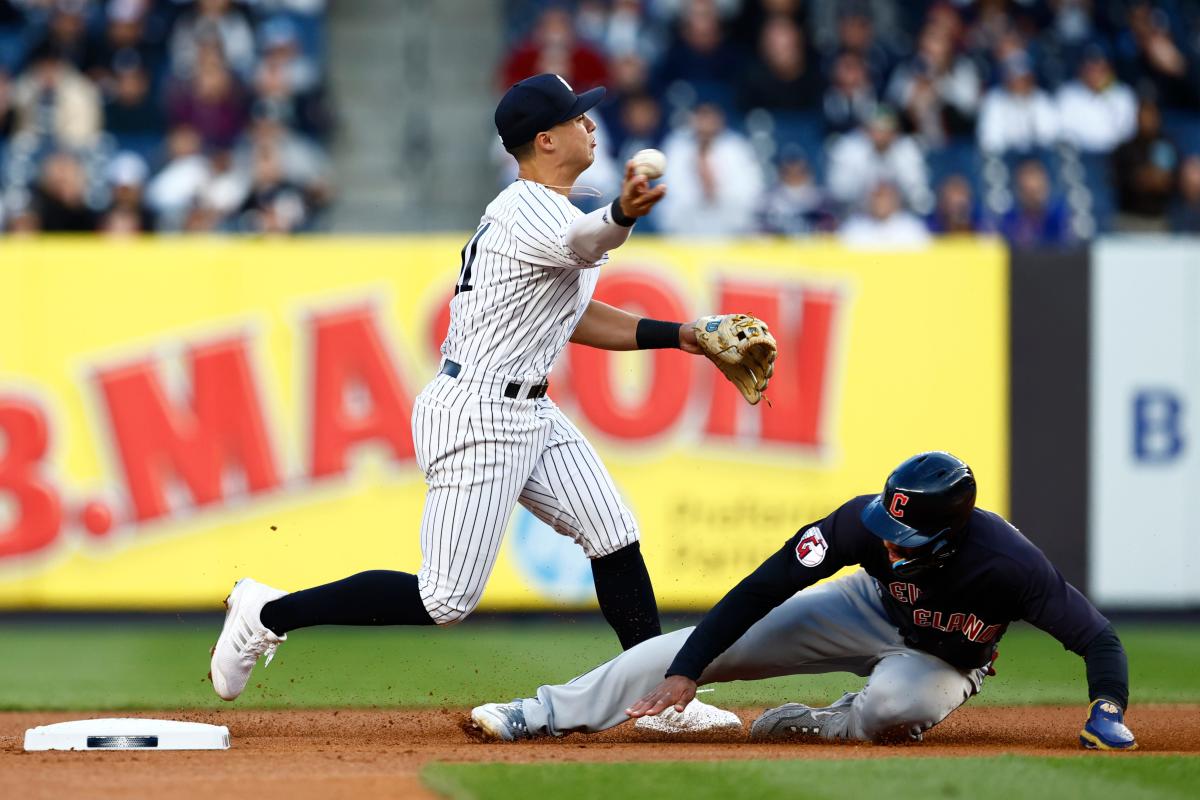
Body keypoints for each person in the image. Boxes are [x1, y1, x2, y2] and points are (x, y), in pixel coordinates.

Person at [210, 73, 768, 734]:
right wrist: (621, 215)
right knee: (443, 598)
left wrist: (682, 336)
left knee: (614, 533)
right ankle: (267, 612)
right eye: (578, 119)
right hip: (479, 414)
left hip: (527, 408)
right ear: (546, 139)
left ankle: (659, 702)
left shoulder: (548, 210)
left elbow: (579, 318)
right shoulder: (532, 209)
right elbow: (590, 241)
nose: (591, 126)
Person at [470, 451, 1137, 752]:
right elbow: (764, 587)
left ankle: (817, 726)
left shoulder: (1009, 565)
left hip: (944, 659)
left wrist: (1108, 709)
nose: (890, 540)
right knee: (686, 649)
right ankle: (537, 713)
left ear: (952, 531)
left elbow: (1097, 639)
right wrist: (691, 669)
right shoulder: (859, 524)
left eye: (909, 536)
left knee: (894, 709)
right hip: (867, 606)